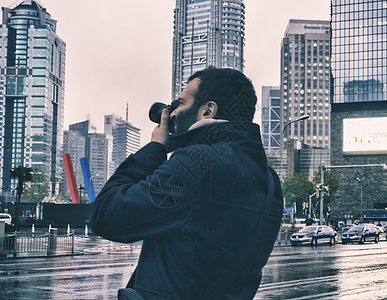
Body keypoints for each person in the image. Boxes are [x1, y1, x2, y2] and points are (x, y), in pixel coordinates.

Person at [90, 67, 283, 299]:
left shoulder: (195, 165)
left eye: (181, 104)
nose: (172, 114)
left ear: (208, 111)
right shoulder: (269, 180)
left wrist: (155, 149)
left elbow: (106, 215)